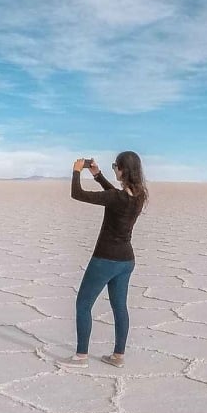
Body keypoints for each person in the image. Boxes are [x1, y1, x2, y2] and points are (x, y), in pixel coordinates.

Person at [60, 151, 148, 368]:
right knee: (120, 307)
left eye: (114, 166)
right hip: (126, 261)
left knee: (83, 304)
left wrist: (76, 171)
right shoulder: (139, 195)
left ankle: (81, 356)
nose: (114, 169)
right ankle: (118, 356)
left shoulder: (116, 198)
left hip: (105, 260)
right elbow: (116, 196)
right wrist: (98, 175)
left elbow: (77, 194)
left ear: (122, 170)